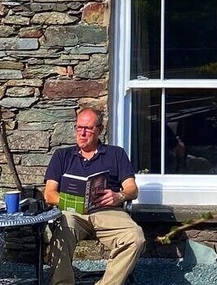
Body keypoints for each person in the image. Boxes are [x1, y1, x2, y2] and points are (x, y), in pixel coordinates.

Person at [44, 108, 145, 285]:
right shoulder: (62, 155)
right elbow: (49, 194)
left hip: (109, 211)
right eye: (79, 127)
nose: (82, 133)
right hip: (73, 212)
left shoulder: (116, 154)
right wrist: (75, 202)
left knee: (135, 237)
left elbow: (132, 189)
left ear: (99, 129)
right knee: (62, 231)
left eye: (88, 128)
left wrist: (119, 196)